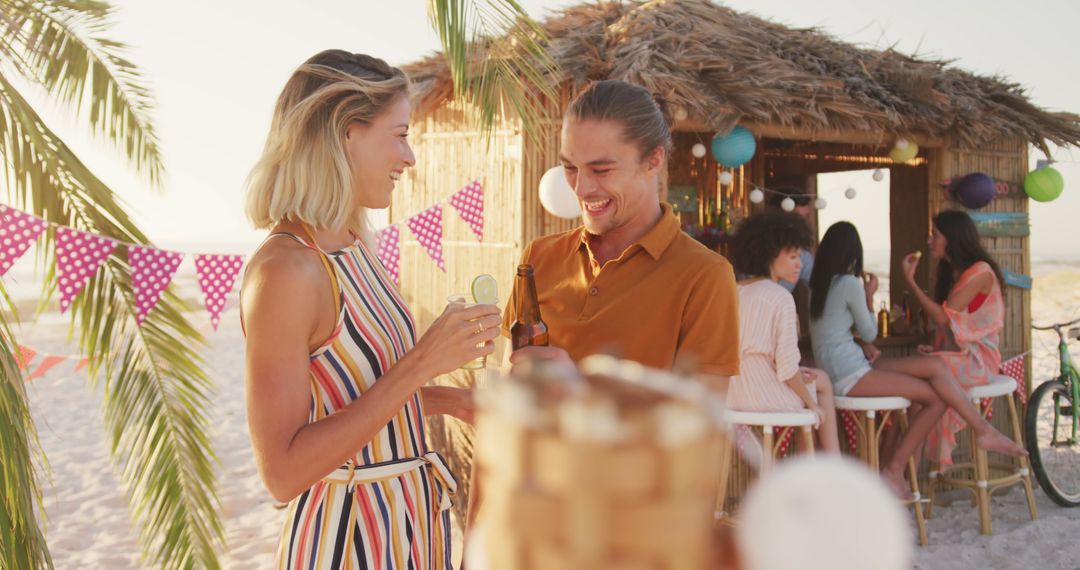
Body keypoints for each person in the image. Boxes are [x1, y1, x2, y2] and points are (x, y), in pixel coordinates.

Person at [241, 50, 500, 569]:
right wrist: (423, 361)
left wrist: (454, 400)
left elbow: (352, 396)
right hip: (349, 537)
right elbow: (284, 472)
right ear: (345, 133)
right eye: (400, 134)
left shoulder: (355, 244)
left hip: (409, 523)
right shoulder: (286, 272)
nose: (410, 157)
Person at [501, 80, 739, 380]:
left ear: (653, 160)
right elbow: (506, 382)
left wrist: (577, 393)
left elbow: (702, 423)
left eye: (601, 170)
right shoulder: (539, 256)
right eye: (570, 168)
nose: (581, 188)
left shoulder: (704, 276)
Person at [808, 222, 1024, 498]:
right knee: (935, 398)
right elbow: (871, 330)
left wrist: (863, 344)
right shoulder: (849, 283)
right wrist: (869, 297)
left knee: (931, 370)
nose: (931, 238)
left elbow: (833, 333)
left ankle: (887, 473)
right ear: (853, 253)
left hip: (841, 371)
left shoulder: (818, 286)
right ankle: (897, 469)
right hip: (850, 373)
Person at [902, 210, 1013, 464]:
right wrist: (938, 347)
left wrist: (911, 282)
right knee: (918, 398)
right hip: (963, 357)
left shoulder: (979, 271)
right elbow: (951, 327)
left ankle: (903, 475)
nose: (930, 241)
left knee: (914, 386)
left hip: (979, 362)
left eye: (935, 235)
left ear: (953, 238)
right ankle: (906, 479)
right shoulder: (955, 272)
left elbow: (943, 318)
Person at [727, 211, 839, 453]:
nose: (800, 264)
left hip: (732, 394)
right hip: (762, 395)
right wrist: (812, 405)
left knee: (811, 380)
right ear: (770, 255)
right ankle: (831, 467)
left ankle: (799, 477)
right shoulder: (780, 297)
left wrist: (798, 376)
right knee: (821, 387)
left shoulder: (733, 291)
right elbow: (787, 367)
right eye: (793, 256)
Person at [766, 187, 815, 293]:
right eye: (797, 217)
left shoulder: (803, 255)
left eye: (806, 217)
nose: (803, 223)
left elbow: (818, 282)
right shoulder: (755, 250)